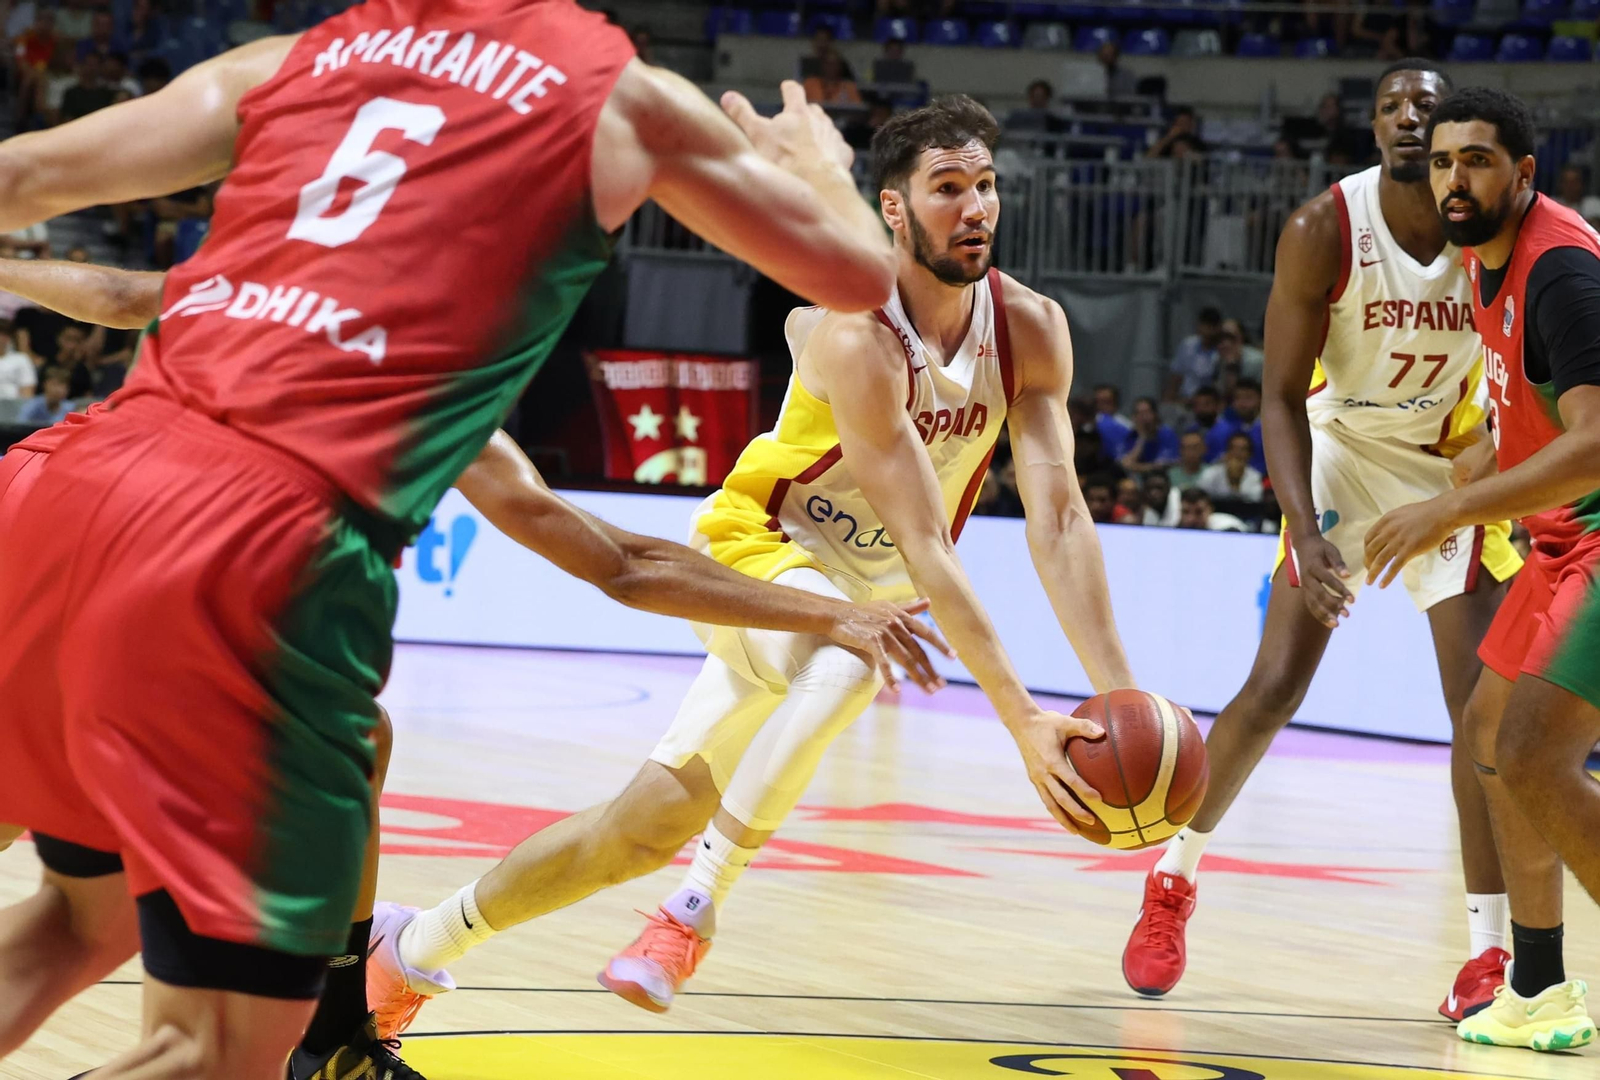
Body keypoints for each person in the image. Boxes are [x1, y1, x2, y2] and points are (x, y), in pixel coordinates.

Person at [0, 2, 903, 1074]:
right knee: (218, 1047)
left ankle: (343, 990)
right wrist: (820, 168)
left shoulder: (302, 56)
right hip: (255, 538)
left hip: (56, 484)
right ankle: (337, 1018)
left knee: (85, 914)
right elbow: (859, 280)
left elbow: (21, 184)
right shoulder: (622, 102)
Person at [370, 94, 1137, 1034]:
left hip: (867, 592)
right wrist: (1021, 720)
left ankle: (407, 952)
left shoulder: (1032, 329)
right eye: (947, 189)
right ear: (893, 209)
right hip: (756, 553)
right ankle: (691, 914)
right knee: (854, 656)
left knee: (635, 829)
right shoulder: (857, 334)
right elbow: (931, 544)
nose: (975, 207)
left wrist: (1120, 697)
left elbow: (1058, 516)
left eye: (986, 187)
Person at [1122, 60, 1525, 1027]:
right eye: (1389, 107)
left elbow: (1530, 366)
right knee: (1277, 686)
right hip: (1340, 447)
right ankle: (1172, 879)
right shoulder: (1323, 228)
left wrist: (1492, 455)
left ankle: (1488, 952)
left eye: (1422, 109)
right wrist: (1304, 533)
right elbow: (1275, 394)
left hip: (1447, 465)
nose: (1404, 119)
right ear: (1374, 128)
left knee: (1480, 720)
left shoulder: (1496, 228)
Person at [1366, 86, 1600, 1053]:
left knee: (1539, 754)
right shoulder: (1481, 261)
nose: (1454, 178)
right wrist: (1483, 461)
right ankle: (1539, 988)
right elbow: (1538, 416)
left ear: (1523, 174)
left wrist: (1453, 504)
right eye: (1441, 162)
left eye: (1477, 161)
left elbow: (1595, 443)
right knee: (1490, 732)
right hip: (1558, 535)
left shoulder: (1561, 273)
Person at [1206, 377, 1265, 473]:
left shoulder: (1269, 431)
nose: (1242, 403)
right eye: (1238, 398)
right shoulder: (1220, 430)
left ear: (1260, 399)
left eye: (1248, 398)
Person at [1165, 305, 1223, 403]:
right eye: (1205, 325)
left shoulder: (1221, 351)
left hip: (1209, 402)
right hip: (1184, 399)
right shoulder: (1188, 345)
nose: (1208, 330)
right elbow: (1176, 376)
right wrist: (1168, 400)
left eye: (1211, 326)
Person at [1118, 395, 1179, 475]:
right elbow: (1126, 464)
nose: (1144, 417)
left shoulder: (1166, 433)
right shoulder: (1131, 436)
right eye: (1139, 413)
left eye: (1147, 412)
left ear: (1155, 415)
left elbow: (1165, 465)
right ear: (1134, 418)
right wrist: (1142, 437)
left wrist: (1137, 467)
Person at [1197, 431, 1264, 503]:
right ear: (1227, 451)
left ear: (1249, 454)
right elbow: (1200, 496)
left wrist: (1235, 484)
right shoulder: (1211, 473)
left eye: (1243, 449)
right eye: (1234, 448)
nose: (1238, 453)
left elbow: (1256, 499)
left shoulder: (1255, 476)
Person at [1552, 162, 1600, 232]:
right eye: (1567, 182)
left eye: (1574, 182)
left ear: (1582, 184)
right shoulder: (1552, 205)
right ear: (1560, 184)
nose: (1570, 186)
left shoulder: (1595, 205)